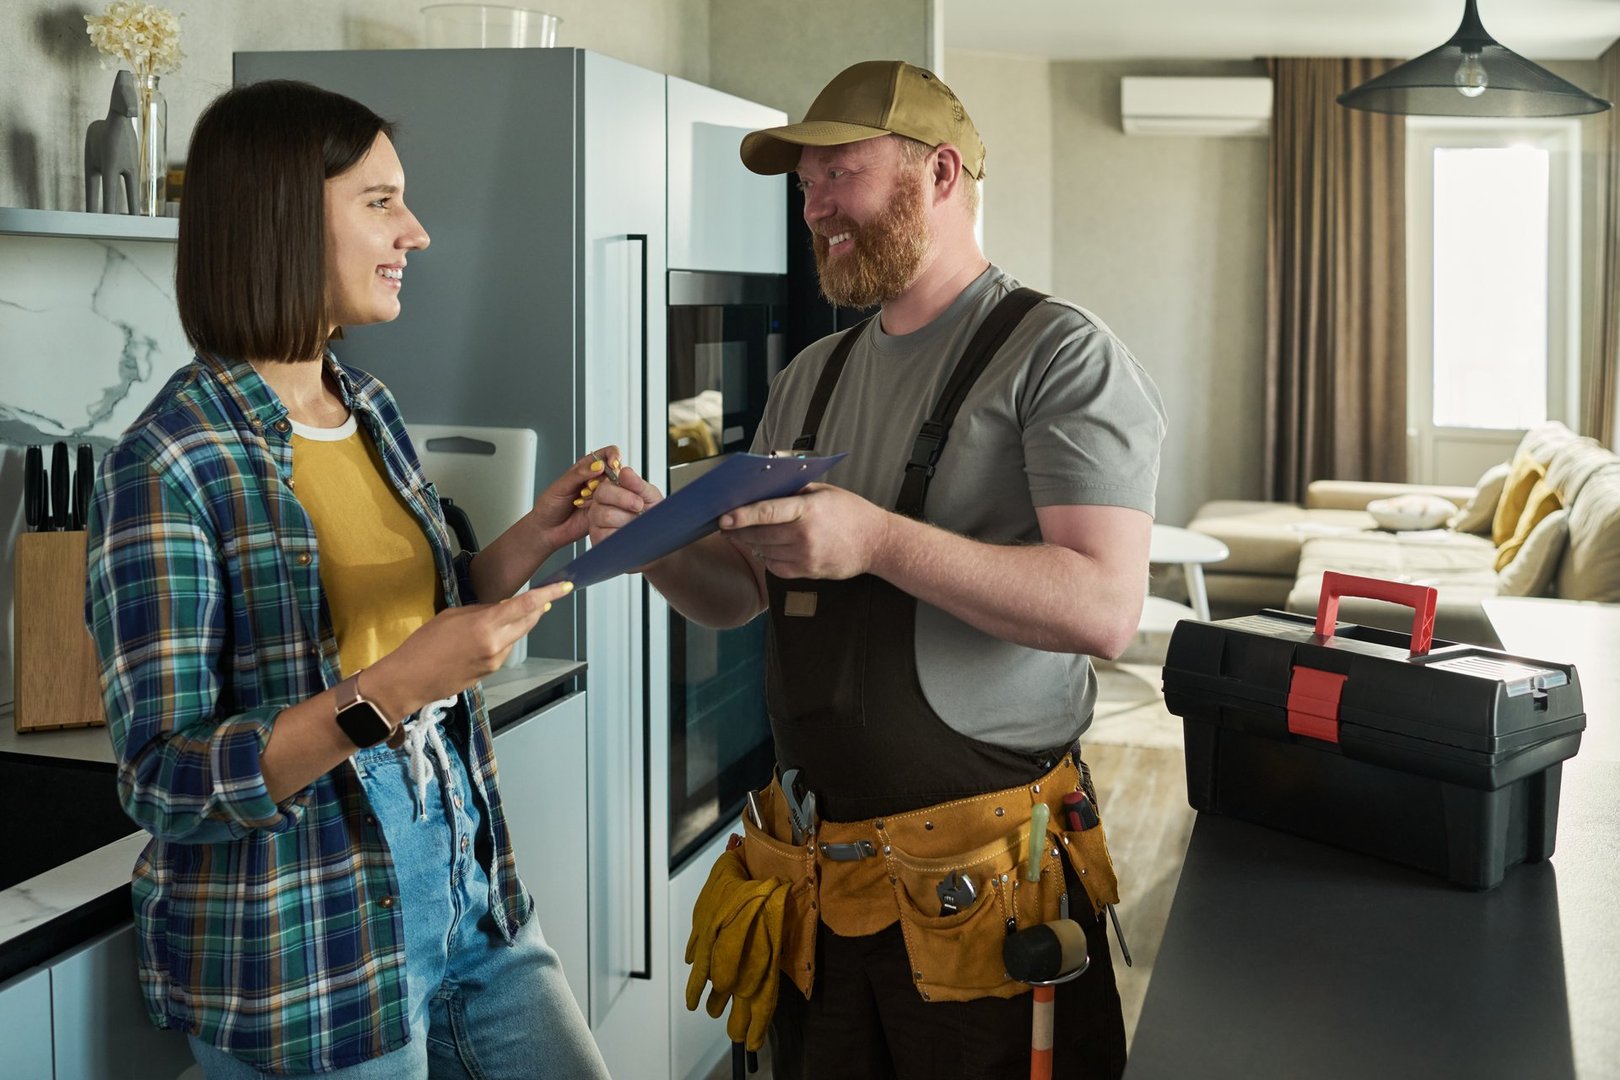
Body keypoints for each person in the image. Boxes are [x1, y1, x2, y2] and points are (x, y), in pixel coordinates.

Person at [591, 60, 1166, 1079]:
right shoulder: (811, 378)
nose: (813, 209)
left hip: (986, 901)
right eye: (804, 185)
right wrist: (652, 544)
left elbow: (1106, 608)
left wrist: (880, 541)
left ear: (940, 174)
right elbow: (744, 594)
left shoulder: (1059, 355)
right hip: (820, 886)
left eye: (837, 177)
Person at [84, 80, 612, 1079]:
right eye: (380, 201)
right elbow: (165, 780)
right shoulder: (167, 462)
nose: (415, 232)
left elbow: (407, 618)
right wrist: (399, 689)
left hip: (470, 887)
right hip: (307, 948)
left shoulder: (366, 404)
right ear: (282, 216)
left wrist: (532, 539)